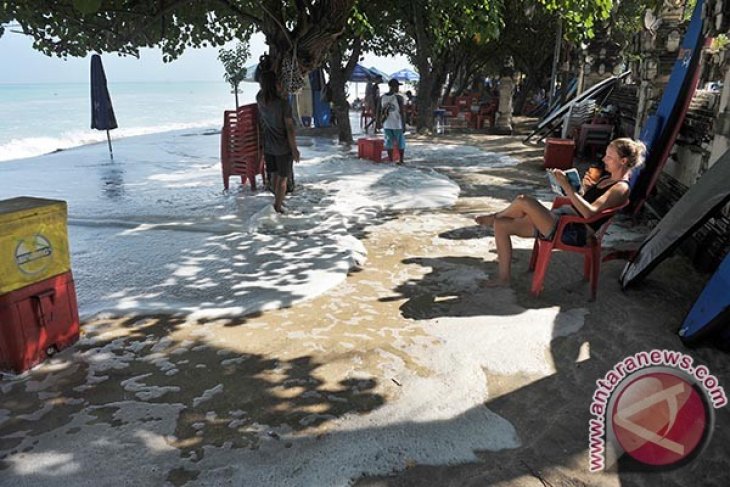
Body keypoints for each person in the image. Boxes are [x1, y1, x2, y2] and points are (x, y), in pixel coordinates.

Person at [474, 137, 645, 287]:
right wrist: (580, 189)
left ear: (623, 161)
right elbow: (587, 203)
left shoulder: (620, 188)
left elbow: (589, 214)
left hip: (573, 231)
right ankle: (504, 278)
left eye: (609, 156)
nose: (604, 159)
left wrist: (567, 186)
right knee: (501, 225)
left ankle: (494, 216)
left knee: (523, 200)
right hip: (564, 218)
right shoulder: (607, 179)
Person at [256, 54, 300, 214]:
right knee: (283, 178)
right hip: (283, 146)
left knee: (274, 176)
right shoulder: (283, 104)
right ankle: (277, 207)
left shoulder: (260, 99)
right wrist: (294, 148)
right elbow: (289, 128)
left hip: (268, 146)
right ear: (275, 84)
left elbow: (265, 85)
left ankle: (277, 202)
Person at [376, 78, 406, 164]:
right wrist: (403, 125)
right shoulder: (399, 98)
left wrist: (378, 122)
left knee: (389, 142)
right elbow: (402, 113)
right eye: (397, 86)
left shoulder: (382, 97)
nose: (398, 88)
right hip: (397, 124)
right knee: (400, 143)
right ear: (394, 87)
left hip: (386, 124)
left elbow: (378, 111)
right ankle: (401, 160)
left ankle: (390, 160)